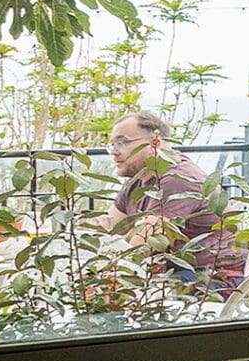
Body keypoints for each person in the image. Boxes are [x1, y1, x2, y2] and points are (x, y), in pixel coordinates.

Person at [101, 106, 239, 287]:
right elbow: (106, 228)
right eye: (111, 144)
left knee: (109, 288)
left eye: (122, 143)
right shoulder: (138, 178)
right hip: (174, 273)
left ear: (155, 143)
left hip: (208, 281)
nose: (113, 151)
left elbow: (140, 248)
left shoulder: (177, 179)